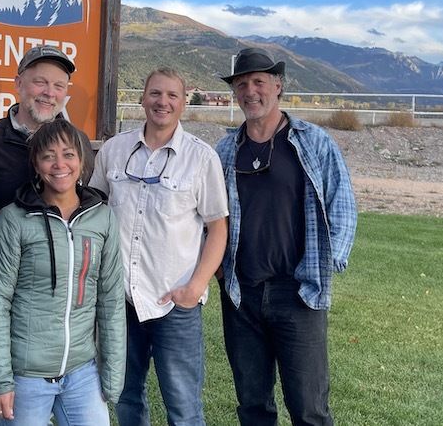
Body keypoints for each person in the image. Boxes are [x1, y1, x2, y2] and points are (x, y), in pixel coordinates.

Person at [215, 47, 357, 426]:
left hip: (298, 293)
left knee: (309, 408)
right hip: (241, 294)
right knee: (252, 404)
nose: (250, 91)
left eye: (258, 82)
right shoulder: (225, 150)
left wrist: (328, 261)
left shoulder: (314, 142)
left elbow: (342, 203)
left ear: (278, 86)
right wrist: (216, 270)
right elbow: (209, 216)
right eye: (241, 84)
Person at [0, 45, 93, 424]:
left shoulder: (76, 145)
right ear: (18, 84)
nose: (49, 92)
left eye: (58, 86)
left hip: (50, 314)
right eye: (40, 82)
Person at [89, 67, 228, 426]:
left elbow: (218, 228)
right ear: (142, 98)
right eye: (155, 93)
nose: (162, 102)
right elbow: (93, 212)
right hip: (120, 300)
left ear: (183, 103)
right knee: (125, 397)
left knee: (183, 407)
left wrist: (195, 288)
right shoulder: (114, 151)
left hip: (174, 303)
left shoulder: (202, 158)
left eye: (172, 95)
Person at [0, 119, 125, 425]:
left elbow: (110, 300)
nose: (60, 164)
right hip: (27, 376)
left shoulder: (102, 219)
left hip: (82, 372)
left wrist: (112, 373)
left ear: (81, 160)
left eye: (68, 154)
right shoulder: (13, 221)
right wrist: (0, 380)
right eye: (48, 156)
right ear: (36, 165)